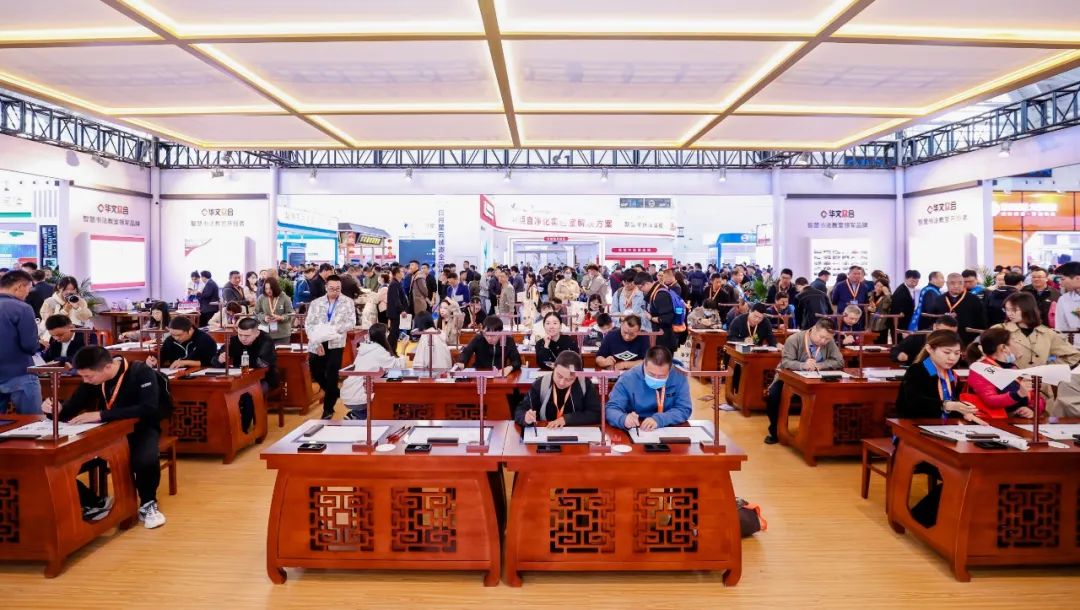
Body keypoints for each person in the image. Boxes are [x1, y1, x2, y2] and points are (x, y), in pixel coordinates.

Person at [43, 346, 166, 528]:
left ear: (107, 367)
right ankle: (95, 503)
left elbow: (149, 408)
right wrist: (55, 409)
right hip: (107, 431)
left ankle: (148, 502)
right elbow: (70, 409)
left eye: (89, 376)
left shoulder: (141, 372)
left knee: (145, 460)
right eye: (83, 376)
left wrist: (101, 415)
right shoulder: (93, 379)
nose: (85, 381)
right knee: (64, 463)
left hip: (142, 427)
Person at [764, 319, 843, 444]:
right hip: (789, 379)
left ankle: (825, 434)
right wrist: (803, 365)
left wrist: (820, 365)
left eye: (827, 339)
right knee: (773, 396)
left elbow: (839, 361)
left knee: (838, 396)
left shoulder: (829, 341)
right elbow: (786, 362)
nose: (823, 341)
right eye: (821, 337)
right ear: (814, 329)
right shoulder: (794, 339)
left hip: (818, 380)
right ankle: (775, 431)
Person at [895, 330, 981, 421]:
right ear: (929, 349)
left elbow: (954, 403)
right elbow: (915, 403)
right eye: (946, 352)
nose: (952, 358)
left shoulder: (951, 374)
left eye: (957, 353)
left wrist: (964, 412)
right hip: (915, 423)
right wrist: (947, 405)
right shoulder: (917, 370)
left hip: (944, 425)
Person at [306, 275, 357, 419]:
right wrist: (316, 342)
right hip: (317, 342)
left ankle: (328, 409)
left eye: (338, 289)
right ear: (326, 287)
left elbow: (351, 322)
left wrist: (334, 329)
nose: (335, 291)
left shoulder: (347, 302)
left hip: (336, 342)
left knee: (332, 374)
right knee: (315, 371)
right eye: (331, 289)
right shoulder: (316, 303)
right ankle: (334, 392)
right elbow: (309, 324)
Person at [605, 346, 691, 430]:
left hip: (668, 426)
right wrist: (623, 419)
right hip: (636, 427)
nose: (656, 379)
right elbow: (611, 409)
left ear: (670, 369)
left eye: (662, 376)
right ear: (644, 365)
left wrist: (660, 419)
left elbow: (684, 409)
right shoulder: (627, 379)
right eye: (651, 374)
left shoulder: (679, 376)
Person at [964, 327, 1042, 419]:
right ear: (1003, 348)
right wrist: (1019, 394)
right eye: (1015, 341)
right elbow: (990, 400)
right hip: (993, 422)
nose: (1019, 344)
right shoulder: (981, 369)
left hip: (1018, 421)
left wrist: (1031, 409)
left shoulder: (1012, 367)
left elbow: (1037, 398)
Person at [515, 350, 601, 428]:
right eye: (559, 376)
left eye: (569, 379)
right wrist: (526, 417)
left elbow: (597, 414)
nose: (562, 382)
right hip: (546, 431)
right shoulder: (540, 384)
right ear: (553, 367)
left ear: (577, 375)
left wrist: (567, 419)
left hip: (575, 432)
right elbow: (520, 410)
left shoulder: (585, 385)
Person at [994, 291, 1079, 368]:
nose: (1009, 313)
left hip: (1039, 379)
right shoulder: (999, 330)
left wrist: (1048, 368)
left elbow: (1073, 355)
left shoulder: (1047, 333)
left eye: (1014, 310)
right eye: (1007, 310)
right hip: (1010, 379)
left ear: (1027, 309)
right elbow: (987, 356)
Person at [340, 323, 408, 420]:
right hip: (359, 399)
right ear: (383, 336)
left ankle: (356, 414)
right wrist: (403, 348)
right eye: (387, 332)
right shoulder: (379, 351)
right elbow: (398, 367)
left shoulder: (364, 349)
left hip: (348, 395)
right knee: (388, 392)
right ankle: (359, 415)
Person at [0, 270, 44, 413]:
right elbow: (29, 344)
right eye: (28, 289)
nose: (28, 294)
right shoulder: (22, 308)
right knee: (33, 420)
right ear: (18, 286)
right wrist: (39, 345)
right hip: (20, 373)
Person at [923, 272, 986, 345]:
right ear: (947, 284)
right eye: (952, 283)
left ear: (963, 284)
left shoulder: (974, 299)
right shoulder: (939, 300)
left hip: (968, 340)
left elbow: (982, 320)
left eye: (960, 283)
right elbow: (932, 320)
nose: (956, 286)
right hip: (943, 340)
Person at [453, 316, 521, 375]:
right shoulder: (479, 338)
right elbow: (466, 352)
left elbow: (517, 360)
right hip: (480, 374)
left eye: (492, 335)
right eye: (486, 334)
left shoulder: (508, 340)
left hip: (499, 374)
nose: (489, 338)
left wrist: (510, 367)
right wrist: (461, 362)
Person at [149, 317, 217, 369]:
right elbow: (162, 357)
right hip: (176, 374)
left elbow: (211, 361)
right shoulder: (169, 340)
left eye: (179, 335)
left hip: (199, 375)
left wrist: (186, 362)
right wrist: (155, 360)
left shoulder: (205, 340)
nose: (176, 338)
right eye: (172, 334)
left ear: (190, 330)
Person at [891, 315, 960, 365]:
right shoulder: (919, 336)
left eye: (952, 333)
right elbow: (895, 350)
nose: (948, 336)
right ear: (935, 327)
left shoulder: (955, 339)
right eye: (944, 332)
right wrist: (900, 355)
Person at [637, 273, 678, 353]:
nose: (640, 290)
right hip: (662, 334)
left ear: (647, 283)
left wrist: (651, 318)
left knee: (663, 358)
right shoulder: (656, 290)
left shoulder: (660, 295)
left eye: (640, 287)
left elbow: (667, 318)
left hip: (665, 337)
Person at [253, 276, 294, 345]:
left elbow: (291, 313)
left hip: (282, 334)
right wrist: (264, 317)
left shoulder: (284, 297)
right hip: (265, 334)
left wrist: (282, 317)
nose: (268, 291)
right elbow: (256, 313)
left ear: (275, 287)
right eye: (266, 288)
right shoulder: (261, 298)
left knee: (281, 352)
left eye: (270, 288)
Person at [385, 265, 408, 355]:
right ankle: (391, 351)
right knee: (394, 333)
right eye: (402, 271)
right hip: (395, 312)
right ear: (397, 274)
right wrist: (402, 310)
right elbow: (396, 299)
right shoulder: (394, 284)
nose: (403, 273)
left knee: (395, 333)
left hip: (396, 312)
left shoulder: (397, 283)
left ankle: (391, 351)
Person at [1054, 261, 1080, 333]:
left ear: (1078, 279)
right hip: (1072, 339)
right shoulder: (1064, 299)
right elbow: (1060, 326)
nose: (1060, 283)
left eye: (1063, 279)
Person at [867, 277, 893, 343]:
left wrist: (887, 294)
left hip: (881, 323)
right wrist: (868, 308)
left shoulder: (887, 296)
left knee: (881, 343)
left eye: (881, 286)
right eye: (877, 285)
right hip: (871, 322)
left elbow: (885, 307)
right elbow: (866, 305)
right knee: (870, 342)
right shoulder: (870, 294)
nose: (878, 288)